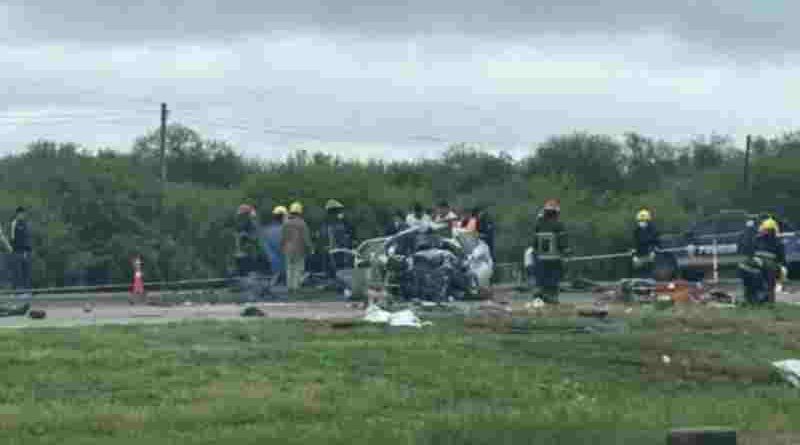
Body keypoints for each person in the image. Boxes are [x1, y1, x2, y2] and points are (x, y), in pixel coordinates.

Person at [530, 199, 570, 304]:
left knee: (540, 275)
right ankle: (552, 295)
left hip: (540, 258)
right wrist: (566, 251)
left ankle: (539, 291)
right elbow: (562, 242)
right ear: (556, 212)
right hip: (554, 258)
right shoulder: (559, 225)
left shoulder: (538, 225)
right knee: (555, 276)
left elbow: (533, 243)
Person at [281, 201, 313, 294]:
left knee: (289, 268)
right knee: (298, 268)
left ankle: (289, 287)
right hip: (299, 249)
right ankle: (295, 287)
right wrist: (310, 248)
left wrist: (282, 247)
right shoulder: (302, 223)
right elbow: (306, 238)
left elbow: (283, 237)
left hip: (287, 249)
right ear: (300, 212)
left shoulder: (286, 223)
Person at [320, 199, 355, 280]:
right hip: (335, 249)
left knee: (336, 267)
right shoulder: (335, 223)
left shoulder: (332, 222)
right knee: (335, 266)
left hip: (335, 249)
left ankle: (335, 279)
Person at [753, 217, 785, 304]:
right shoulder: (777, 241)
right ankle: (770, 302)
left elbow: (751, 252)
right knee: (770, 286)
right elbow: (781, 258)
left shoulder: (757, 239)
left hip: (758, 265)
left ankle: (759, 300)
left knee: (760, 285)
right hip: (770, 267)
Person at [631, 208, 661, 279]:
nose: (642, 223)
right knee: (638, 274)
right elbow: (633, 245)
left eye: (643, 221)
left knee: (650, 274)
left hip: (651, 257)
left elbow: (657, 243)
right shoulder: (636, 232)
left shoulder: (653, 231)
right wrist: (634, 256)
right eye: (640, 221)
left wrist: (653, 251)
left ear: (648, 221)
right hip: (640, 257)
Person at [10, 206, 32, 297]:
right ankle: (15, 292)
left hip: (25, 252)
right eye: (20, 214)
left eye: (23, 214)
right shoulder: (14, 223)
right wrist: (14, 251)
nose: (22, 215)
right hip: (17, 252)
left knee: (26, 272)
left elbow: (27, 238)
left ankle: (26, 291)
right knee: (17, 273)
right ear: (17, 214)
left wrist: (27, 251)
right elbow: (12, 238)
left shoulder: (26, 224)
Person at [263, 206, 287, 286]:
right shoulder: (285, 229)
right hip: (284, 263)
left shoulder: (266, 230)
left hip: (273, 263)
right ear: (283, 217)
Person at [234, 204, 261, 276]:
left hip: (250, 244)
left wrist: (246, 235)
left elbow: (256, 233)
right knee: (243, 256)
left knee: (251, 256)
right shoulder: (244, 220)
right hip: (245, 245)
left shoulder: (251, 219)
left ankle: (252, 272)